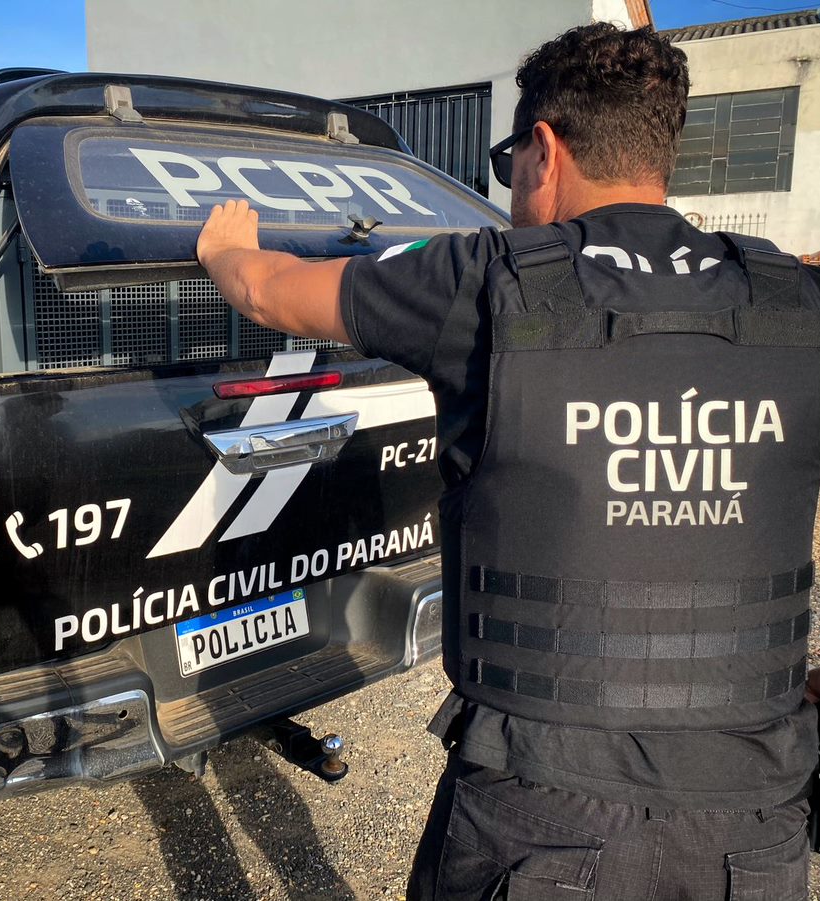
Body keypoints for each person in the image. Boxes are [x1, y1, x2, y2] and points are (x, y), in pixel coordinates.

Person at [196, 23, 820, 901]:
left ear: (543, 150)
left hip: (541, 814)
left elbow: (267, 291)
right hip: (753, 817)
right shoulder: (793, 300)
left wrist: (224, 245)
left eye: (509, 161)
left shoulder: (484, 280)